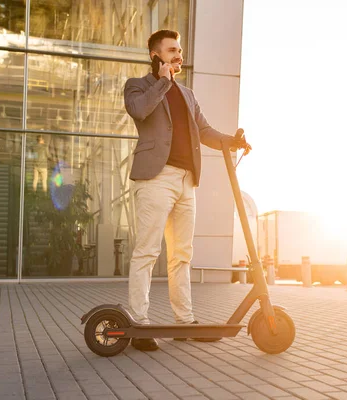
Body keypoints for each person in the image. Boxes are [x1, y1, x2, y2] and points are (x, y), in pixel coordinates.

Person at [124, 29, 250, 351]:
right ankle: (138, 323)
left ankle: (184, 321)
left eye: (180, 49)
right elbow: (140, 111)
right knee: (148, 252)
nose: (179, 55)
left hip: (186, 181)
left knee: (181, 255)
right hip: (156, 178)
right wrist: (163, 81)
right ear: (156, 55)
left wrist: (232, 142)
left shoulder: (188, 94)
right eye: (172, 50)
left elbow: (205, 131)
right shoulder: (138, 86)